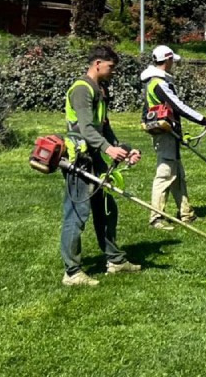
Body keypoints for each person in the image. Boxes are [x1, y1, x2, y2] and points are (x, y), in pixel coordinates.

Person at [60, 45, 143, 287]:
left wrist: (123, 150)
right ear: (97, 64)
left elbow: (103, 128)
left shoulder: (100, 90)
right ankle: (72, 273)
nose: (113, 71)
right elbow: (85, 129)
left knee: (107, 209)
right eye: (111, 67)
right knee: (76, 215)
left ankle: (115, 261)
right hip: (79, 160)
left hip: (94, 157)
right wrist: (108, 149)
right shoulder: (81, 89)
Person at [141, 44, 206, 231]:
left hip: (169, 132)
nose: (172, 64)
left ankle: (186, 213)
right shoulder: (158, 83)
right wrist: (203, 120)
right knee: (165, 174)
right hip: (166, 134)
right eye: (171, 61)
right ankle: (156, 217)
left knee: (178, 176)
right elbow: (178, 106)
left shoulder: (154, 82)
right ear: (166, 60)